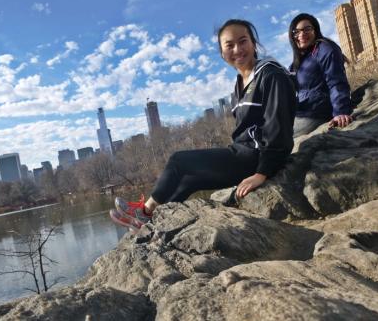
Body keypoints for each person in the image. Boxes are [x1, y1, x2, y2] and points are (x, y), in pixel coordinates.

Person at [110, 19, 297, 231]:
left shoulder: (271, 74)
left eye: (243, 41)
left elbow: (278, 128)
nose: (237, 49)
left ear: (254, 43)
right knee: (190, 180)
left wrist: (262, 173)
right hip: (242, 152)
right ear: (222, 53)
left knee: (179, 161)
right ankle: (153, 223)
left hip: (257, 158)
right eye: (229, 45)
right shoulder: (240, 84)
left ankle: (144, 211)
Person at [288, 13, 353, 137]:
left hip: (316, 112)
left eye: (307, 29)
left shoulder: (324, 48)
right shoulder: (297, 62)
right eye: (296, 32)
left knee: (275, 139)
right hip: (300, 111)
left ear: (315, 30)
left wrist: (341, 112)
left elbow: (336, 82)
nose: (301, 34)